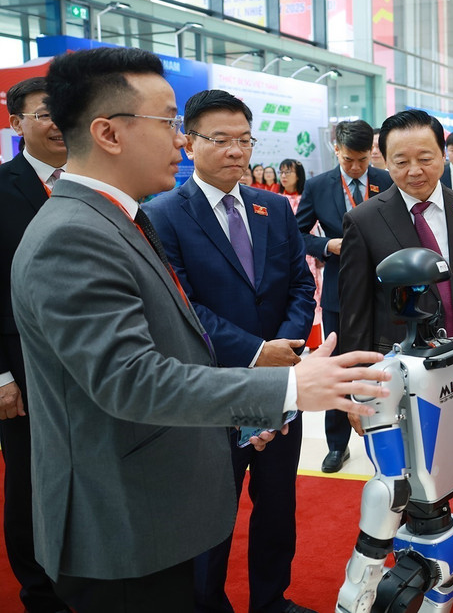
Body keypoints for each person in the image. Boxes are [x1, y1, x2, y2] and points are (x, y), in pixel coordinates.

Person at [9, 46, 388, 613]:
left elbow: (172, 344)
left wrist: (248, 413)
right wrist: (288, 387)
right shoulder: (76, 235)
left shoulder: (115, 218)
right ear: (109, 133)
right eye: (168, 124)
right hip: (123, 523)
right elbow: (132, 380)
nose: (179, 141)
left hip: (156, 497)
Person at [142, 90, 318, 613]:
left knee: (277, 505)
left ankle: (271, 600)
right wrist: (259, 352)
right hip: (209, 390)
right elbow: (182, 306)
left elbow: (299, 288)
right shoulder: (163, 215)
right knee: (208, 512)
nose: (237, 151)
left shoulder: (274, 209)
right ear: (189, 142)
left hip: (280, 386)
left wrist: (283, 350)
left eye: (245, 140)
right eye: (221, 140)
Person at [339, 109, 453, 613]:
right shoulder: (365, 220)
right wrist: (357, 392)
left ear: (445, 154)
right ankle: (414, 575)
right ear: (384, 162)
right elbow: (354, 316)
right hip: (404, 382)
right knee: (416, 485)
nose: (414, 170)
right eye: (401, 161)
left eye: (425, 157)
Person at [0, 76, 71, 613]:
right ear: (16, 123)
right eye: (45, 112)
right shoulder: (3, 188)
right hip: (21, 369)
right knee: (28, 483)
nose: (56, 121)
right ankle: (38, 591)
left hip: (87, 364)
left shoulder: (89, 183)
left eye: (63, 110)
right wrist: (0, 376)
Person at [295, 120, 393, 473]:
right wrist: (326, 245)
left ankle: (384, 438)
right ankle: (337, 445)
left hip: (383, 290)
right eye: (349, 159)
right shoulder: (319, 186)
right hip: (339, 290)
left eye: (363, 160)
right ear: (337, 150)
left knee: (382, 363)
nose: (356, 167)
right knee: (337, 365)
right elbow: (298, 234)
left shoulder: (385, 181)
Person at [280, 158, 323, 330]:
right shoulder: (275, 199)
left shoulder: (306, 198)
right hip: (283, 254)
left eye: (288, 172)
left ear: (298, 175)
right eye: (281, 172)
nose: (283, 176)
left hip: (307, 253)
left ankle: (314, 340)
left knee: (311, 294)